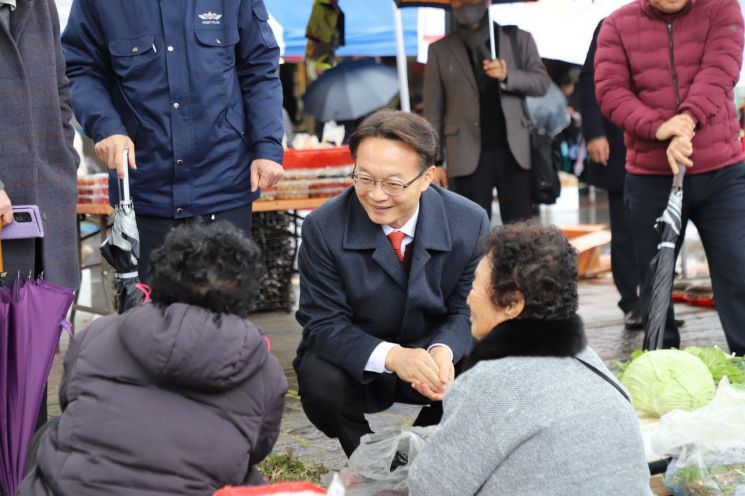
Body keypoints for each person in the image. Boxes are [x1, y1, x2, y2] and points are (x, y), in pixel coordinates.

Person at [17, 222, 288, 496]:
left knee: (50, 434)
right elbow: (258, 447)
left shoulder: (99, 333)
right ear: (245, 295)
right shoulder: (264, 370)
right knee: (249, 478)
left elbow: (70, 398)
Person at [294, 109, 490, 457]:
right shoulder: (323, 227)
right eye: (364, 179)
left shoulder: (468, 221)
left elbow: (467, 309)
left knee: (493, 360)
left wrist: (442, 352)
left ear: (428, 177)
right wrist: (393, 356)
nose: (376, 195)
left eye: (394, 184)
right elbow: (323, 323)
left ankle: (419, 452)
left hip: (434, 354)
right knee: (318, 374)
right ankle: (365, 458)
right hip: (361, 361)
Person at [408, 223, 653, 495]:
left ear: (513, 303)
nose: (468, 298)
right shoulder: (589, 361)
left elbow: (430, 487)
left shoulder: (489, 384)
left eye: (475, 285)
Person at [61, 0, 285, 280]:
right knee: (151, 319)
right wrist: (106, 126)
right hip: (145, 190)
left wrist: (267, 146)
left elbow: (260, 69)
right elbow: (79, 68)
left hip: (224, 185)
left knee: (224, 317)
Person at [595, 0, 745, 353]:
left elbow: (721, 70)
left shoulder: (723, 8)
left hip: (721, 171)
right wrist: (659, 128)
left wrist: (686, 122)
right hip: (650, 176)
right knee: (655, 281)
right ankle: (663, 364)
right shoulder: (616, 25)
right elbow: (610, 90)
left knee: (738, 270)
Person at [0, 0, 80, 433]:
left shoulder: (40, 5)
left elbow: (61, 89)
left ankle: (25, 472)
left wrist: (64, 161)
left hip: (44, 212)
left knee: (32, 366)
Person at [423, 0, 550, 223]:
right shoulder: (439, 50)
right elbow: (433, 110)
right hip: (465, 154)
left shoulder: (519, 39)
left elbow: (541, 83)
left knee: (520, 231)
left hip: (515, 152)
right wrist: (434, 161)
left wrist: (507, 75)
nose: (463, 5)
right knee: (470, 229)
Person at [580, 20, 642, 330]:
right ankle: (632, 302)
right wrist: (594, 134)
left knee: (666, 229)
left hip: (666, 142)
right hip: (620, 142)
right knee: (626, 227)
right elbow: (589, 82)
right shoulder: (612, 24)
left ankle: (660, 303)